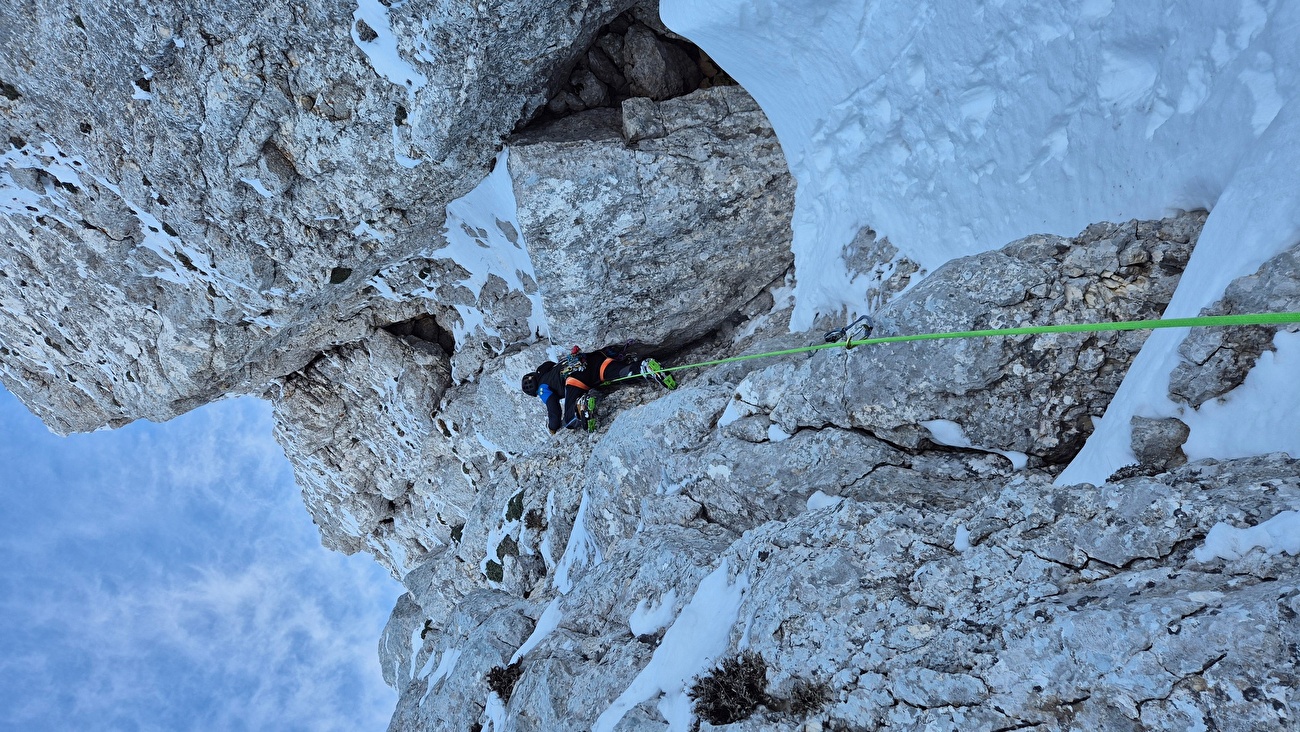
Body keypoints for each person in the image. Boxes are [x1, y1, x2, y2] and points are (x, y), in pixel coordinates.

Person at [520, 345, 676, 433]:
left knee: (568, 420)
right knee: (622, 373)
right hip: (594, 359)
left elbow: (553, 410)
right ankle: (645, 368)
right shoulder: (551, 369)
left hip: (576, 378)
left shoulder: (542, 388)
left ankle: (581, 405)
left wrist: (552, 428)